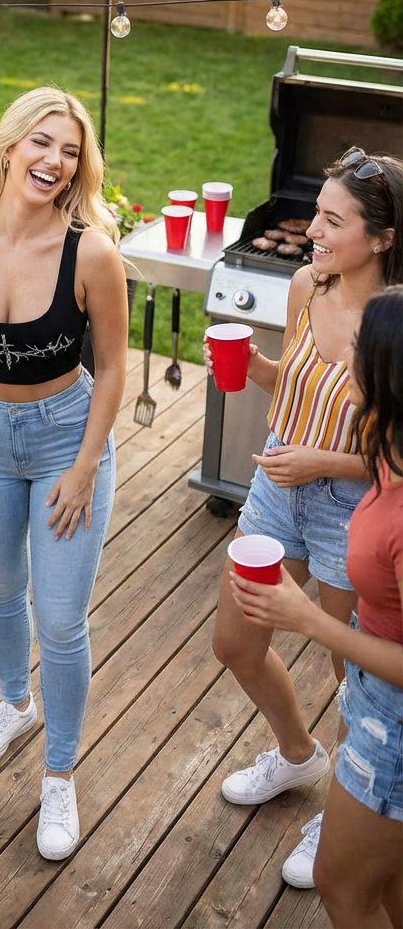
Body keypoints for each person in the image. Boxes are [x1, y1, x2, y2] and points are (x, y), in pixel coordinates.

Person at [0, 87, 128, 860]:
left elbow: (114, 368)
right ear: (10, 146)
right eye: (42, 142)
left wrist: (85, 465)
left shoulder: (91, 252)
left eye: (71, 152)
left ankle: (59, 774)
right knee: (2, 586)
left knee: (63, 618)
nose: (55, 161)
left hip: (65, 437)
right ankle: (15, 704)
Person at [211, 147, 403, 889]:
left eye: (333, 221)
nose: (314, 230)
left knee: (351, 677)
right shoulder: (305, 285)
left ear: (382, 238)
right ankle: (298, 755)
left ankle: (339, 811)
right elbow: (295, 385)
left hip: (351, 508)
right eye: (315, 215)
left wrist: (325, 463)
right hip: (276, 488)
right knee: (235, 642)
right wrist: (253, 369)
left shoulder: (392, 330)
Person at [230, 285, 403, 929]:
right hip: (374, 704)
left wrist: (308, 620)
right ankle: (300, 756)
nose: (341, 358)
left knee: (343, 887)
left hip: (392, 728)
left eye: (358, 350)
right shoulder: (389, 461)